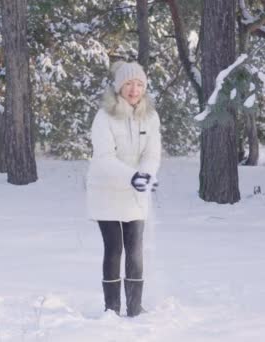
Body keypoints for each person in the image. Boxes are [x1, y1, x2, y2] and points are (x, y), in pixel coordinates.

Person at [86, 61, 162, 317]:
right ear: (119, 87)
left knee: (135, 248)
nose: (134, 89)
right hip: (105, 189)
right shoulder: (104, 116)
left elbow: (152, 153)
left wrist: (146, 175)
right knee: (114, 248)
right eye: (129, 83)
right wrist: (134, 176)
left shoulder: (150, 117)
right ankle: (112, 308)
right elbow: (104, 157)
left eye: (139, 84)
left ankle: (134, 308)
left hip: (135, 192)